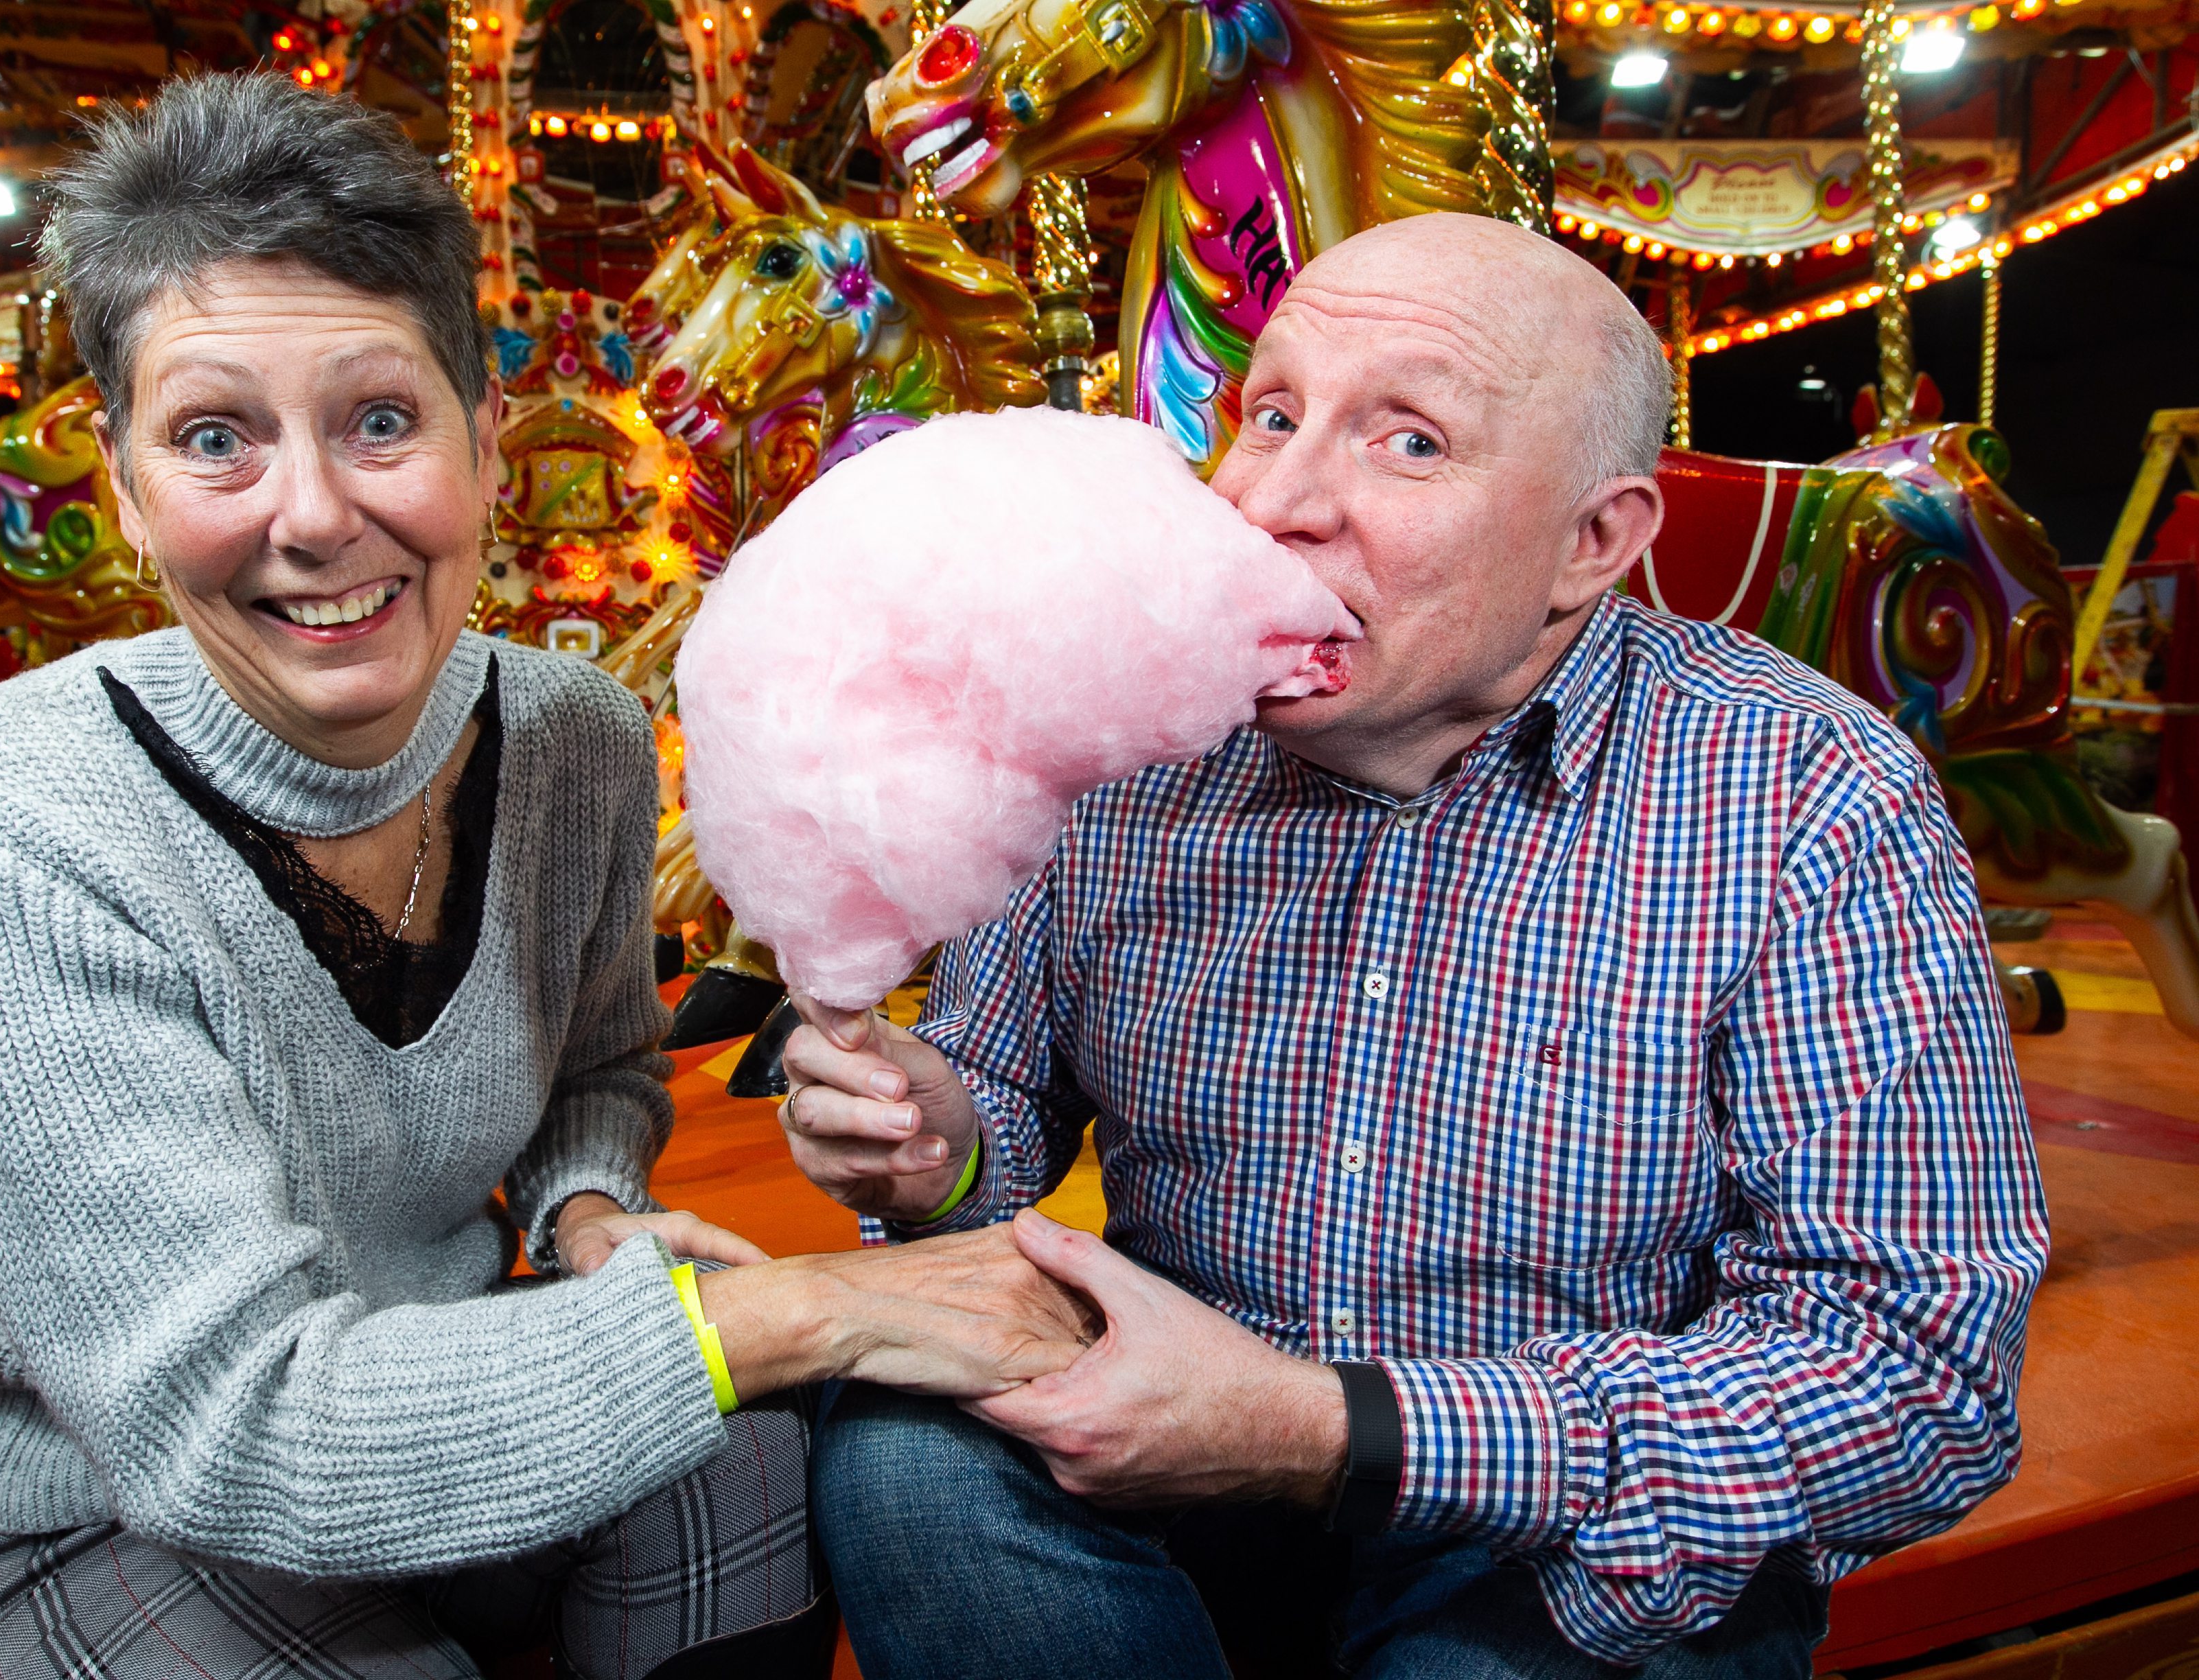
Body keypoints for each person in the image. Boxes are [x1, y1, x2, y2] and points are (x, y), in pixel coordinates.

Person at [0, 73, 1089, 1680]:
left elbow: (596, 1064)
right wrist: (823, 1313)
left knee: (754, 1461)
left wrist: (589, 1209)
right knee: (778, 1374)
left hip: (467, 1387)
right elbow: (234, 1436)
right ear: (125, 484)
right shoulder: (5, 816)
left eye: (382, 420)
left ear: (484, 436)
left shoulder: (574, 737)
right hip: (121, 1513)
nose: (316, 515)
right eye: (216, 438)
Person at [776, 212, 2049, 1677]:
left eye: (1412, 444)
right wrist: (939, 1141)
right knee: (898, 1445)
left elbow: (1917, 1375)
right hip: (1156, 1450)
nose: (1275, 502)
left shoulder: (1805, 795)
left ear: (1595, 542)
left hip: (1554, 1536)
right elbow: (991, 1101)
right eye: (1271, 414)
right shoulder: (1118, 737)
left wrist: (1333, 1431)